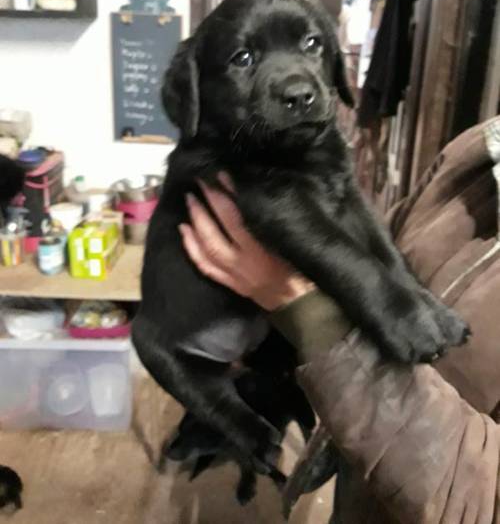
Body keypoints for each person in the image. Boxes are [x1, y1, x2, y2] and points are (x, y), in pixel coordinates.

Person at [178, 116, 500, 524]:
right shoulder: (479, 149)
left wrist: (305, 307)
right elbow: (383, 255)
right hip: (360, 489)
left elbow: (484, 502)